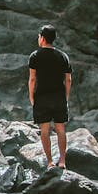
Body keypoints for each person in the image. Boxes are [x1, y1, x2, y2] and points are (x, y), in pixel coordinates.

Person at [28, 24, 72, 169]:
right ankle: (63, 161)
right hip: (59, 96)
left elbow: (32, 79)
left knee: (45, 130)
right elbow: (68, 79)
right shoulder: (63, 56)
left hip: (42, 97)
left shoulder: (35, 56)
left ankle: (50, 162)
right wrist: (65, 96)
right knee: (60, 129)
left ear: (42, 37)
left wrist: (31, 97)